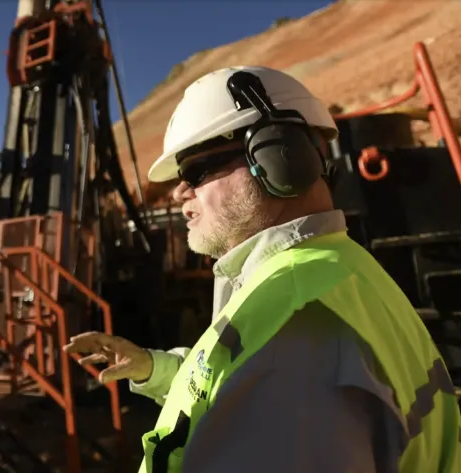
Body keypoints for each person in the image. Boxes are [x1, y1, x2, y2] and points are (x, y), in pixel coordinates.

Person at [64, 66, 461, 473]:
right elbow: (230, 381)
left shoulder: (295, 324)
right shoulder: (327, 270)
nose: (179, 192)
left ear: (277, 156)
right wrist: (153, 368)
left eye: (194, 172)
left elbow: (272, 379)